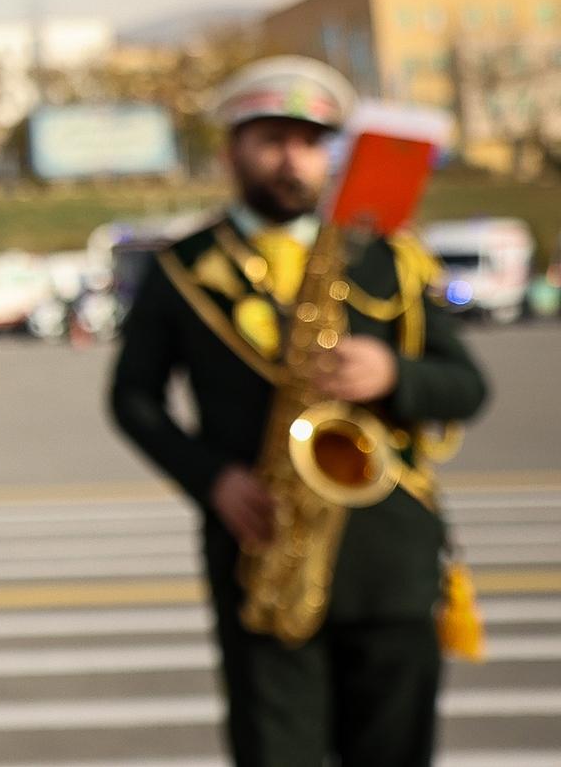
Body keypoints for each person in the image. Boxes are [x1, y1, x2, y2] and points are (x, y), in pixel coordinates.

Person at [109, 56, 490, 767]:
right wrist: (214, 479)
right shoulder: (182, 265)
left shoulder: (387, 258)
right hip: (261, 548)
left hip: (389, 556)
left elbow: (467, 386)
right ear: (232, 151)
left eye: (311, 142)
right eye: (273, 140)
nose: (293, 159)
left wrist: (393, 374)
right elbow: (132, 399)